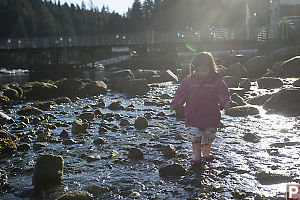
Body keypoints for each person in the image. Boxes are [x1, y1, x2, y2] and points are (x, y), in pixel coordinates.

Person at [170, 52, 231, 164]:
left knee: (208, 137)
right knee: (195, 138)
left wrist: (226, 102)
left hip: (210, 115)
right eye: (198, 71)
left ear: (211, 68)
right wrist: (175, 104)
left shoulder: (216, 81)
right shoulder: (188, 81)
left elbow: (223, 93)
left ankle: (206, 153)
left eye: (204, 71)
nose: (201, 73)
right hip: (193, 114)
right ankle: (196, 155)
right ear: (194, 69)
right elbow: (181, 94)